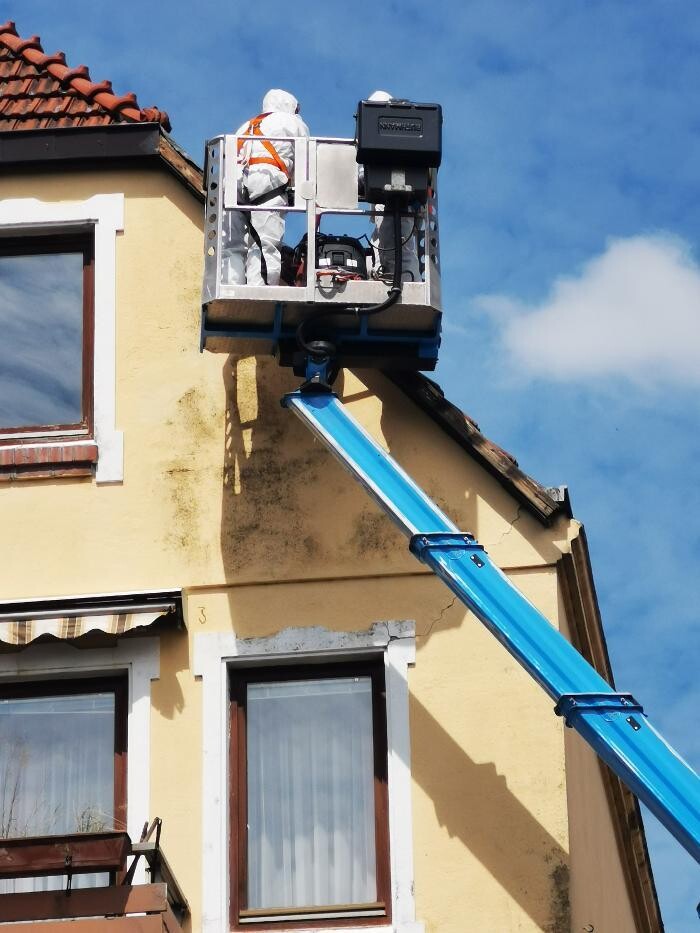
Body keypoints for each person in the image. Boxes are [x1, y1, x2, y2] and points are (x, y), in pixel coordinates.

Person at [222, 89, 309, 286]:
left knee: (232, 245)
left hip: (232, 184)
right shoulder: (293, 123)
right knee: (264, 243)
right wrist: (295, 189)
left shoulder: (246, 125)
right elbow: (305, 164)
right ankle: (261, 291)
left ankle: (231, 286)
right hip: (266, 182)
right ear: (290, 105)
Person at [365, 90, 421, 284]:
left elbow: (361, 175)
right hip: (388, 205)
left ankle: (405, 285)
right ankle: (392, 281)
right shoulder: (404, 133)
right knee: (384, 246)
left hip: (396, 205)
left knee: (398, 251)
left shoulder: (384, 135)